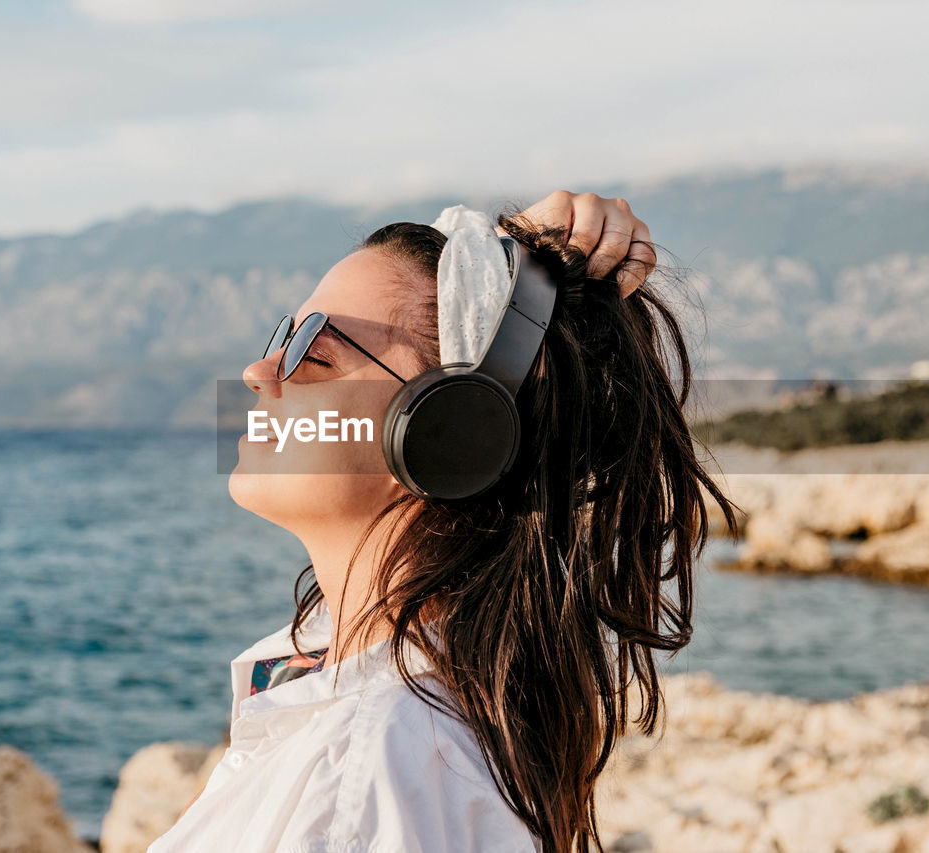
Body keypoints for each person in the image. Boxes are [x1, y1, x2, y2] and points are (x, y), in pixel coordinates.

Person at [147, 191, 741, 853]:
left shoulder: (370, 781)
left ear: (449, 432)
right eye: (284, 338)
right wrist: (510, 257)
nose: (258, 373)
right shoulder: (353, 695)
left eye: (315, 353)